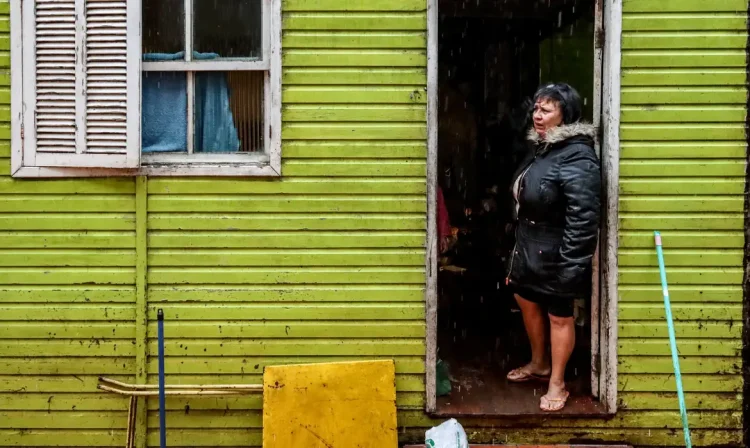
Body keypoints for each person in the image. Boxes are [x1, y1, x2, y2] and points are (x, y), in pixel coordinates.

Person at [504, 83, 601, 412]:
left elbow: (584, 216)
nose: (537, 116)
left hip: (557, 248)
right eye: (536, 109)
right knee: (525, 299)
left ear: (565, 115)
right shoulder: (542, 149)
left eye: (546, 110)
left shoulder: (577, 154)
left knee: (560, 316)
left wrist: (572, 263)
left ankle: (556, 382)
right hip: (529, 245)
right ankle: (539, 363)